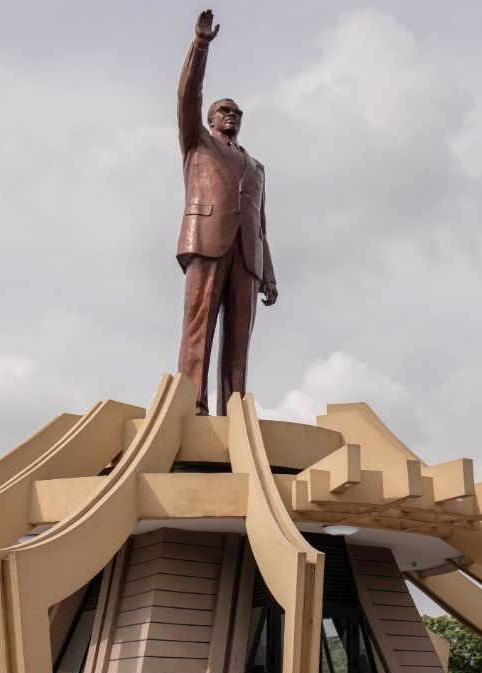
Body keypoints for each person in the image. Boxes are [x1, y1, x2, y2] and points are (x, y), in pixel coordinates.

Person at [175, 8, 278, 415]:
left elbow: (263, 227)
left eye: (237, 112)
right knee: (199, 328)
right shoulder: (197, 142)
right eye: (224, 110)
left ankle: (233, 409)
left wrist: (268, 273)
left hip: (247, 257)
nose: (232, 115)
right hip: (207, 240)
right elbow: (187, 95)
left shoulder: (257, 167)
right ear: (210, 119)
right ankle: (193, 403)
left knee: (239, 339)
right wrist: (200, 46)